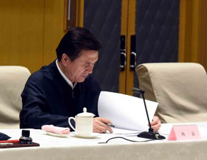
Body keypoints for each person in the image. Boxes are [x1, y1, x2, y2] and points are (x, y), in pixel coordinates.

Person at [19, 27, 161, 133]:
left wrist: (145, 121)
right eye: (86, 64)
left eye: (94, 64)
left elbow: (106, 114)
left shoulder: (89, 83)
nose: (91, 70)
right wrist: (77, 124)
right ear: (66, 59)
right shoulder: (39, 81)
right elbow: (30, 118)